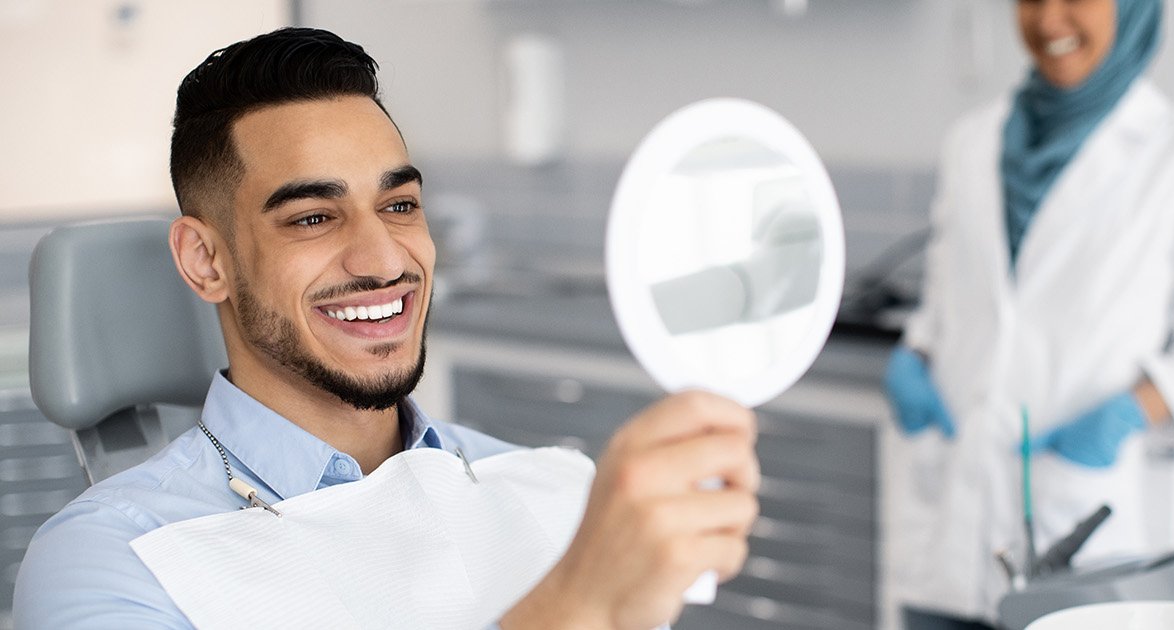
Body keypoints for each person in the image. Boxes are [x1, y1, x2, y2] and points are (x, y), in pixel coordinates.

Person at [14, 28, 759, 629]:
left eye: (399, 206)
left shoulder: (563, 493)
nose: (382, 260)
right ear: (206, 260)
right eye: (312, 217)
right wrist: (572, 612)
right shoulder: (113, 562)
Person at [883, 0, 1174, 628]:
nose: (1049, 19)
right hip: (952, 512)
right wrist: (915, 356)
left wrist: (1123, 416)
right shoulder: (972, 142)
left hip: (1080, 520)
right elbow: (950, 303)